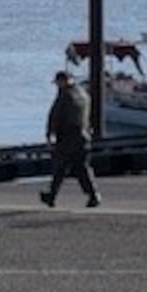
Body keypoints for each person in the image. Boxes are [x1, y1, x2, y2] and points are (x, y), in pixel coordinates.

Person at [41, 71, 100, 208]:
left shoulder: (65, 95)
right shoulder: (83, 94)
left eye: (57, 82)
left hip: (68, 137)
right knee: (82, 168)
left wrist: (50, 135)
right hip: (83, 137)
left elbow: (55, 116)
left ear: (63, 81)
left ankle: (52, 195)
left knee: (60, 167)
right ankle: (93, 195)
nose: (57, 86)